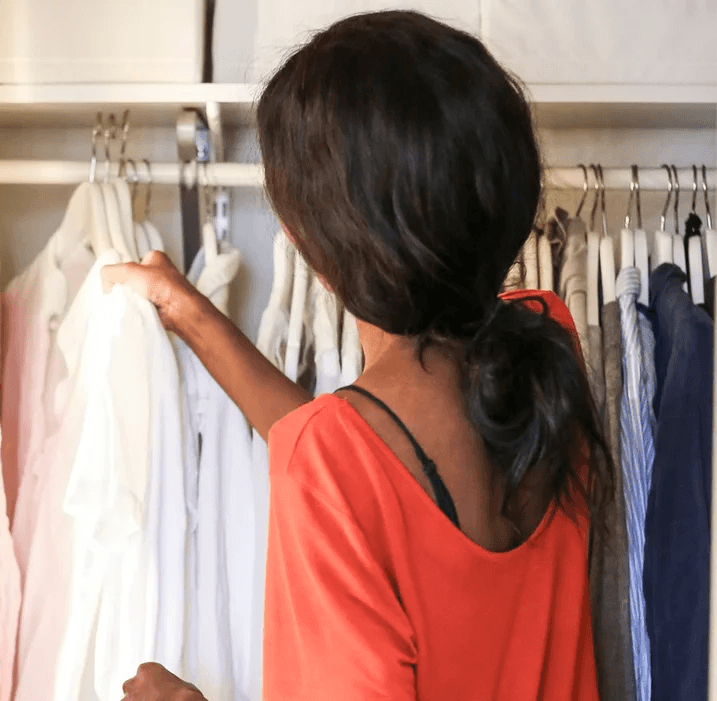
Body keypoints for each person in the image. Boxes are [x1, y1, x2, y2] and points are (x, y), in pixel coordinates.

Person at [103, 9, 612, 701]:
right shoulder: (545, 354)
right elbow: (357, 465)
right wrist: (191, 314)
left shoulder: (337, 459)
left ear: (313, 248)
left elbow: (352, 467)